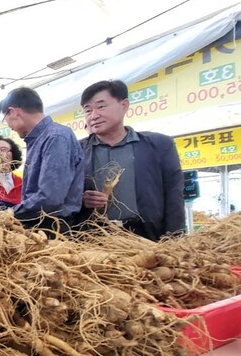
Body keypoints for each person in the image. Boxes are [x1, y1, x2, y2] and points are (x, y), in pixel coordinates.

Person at [77, 79, 184, 240]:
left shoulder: (159, 145)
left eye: (101, 107)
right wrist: (80, 199)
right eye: (88, 110)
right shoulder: (76, 151)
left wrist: (175, 240)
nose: (94, 116)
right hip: (94, 239)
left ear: (124, 105)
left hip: (148, 237)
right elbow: (62, 196)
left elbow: (174, 195)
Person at [0, 87, 84, 233]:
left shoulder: (55, 138)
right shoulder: (39, 139)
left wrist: (10, 213)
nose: (9, 126)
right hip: (39, 226)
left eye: (5, 119)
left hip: (54, 228)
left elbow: (50, 197)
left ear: (13, 112)